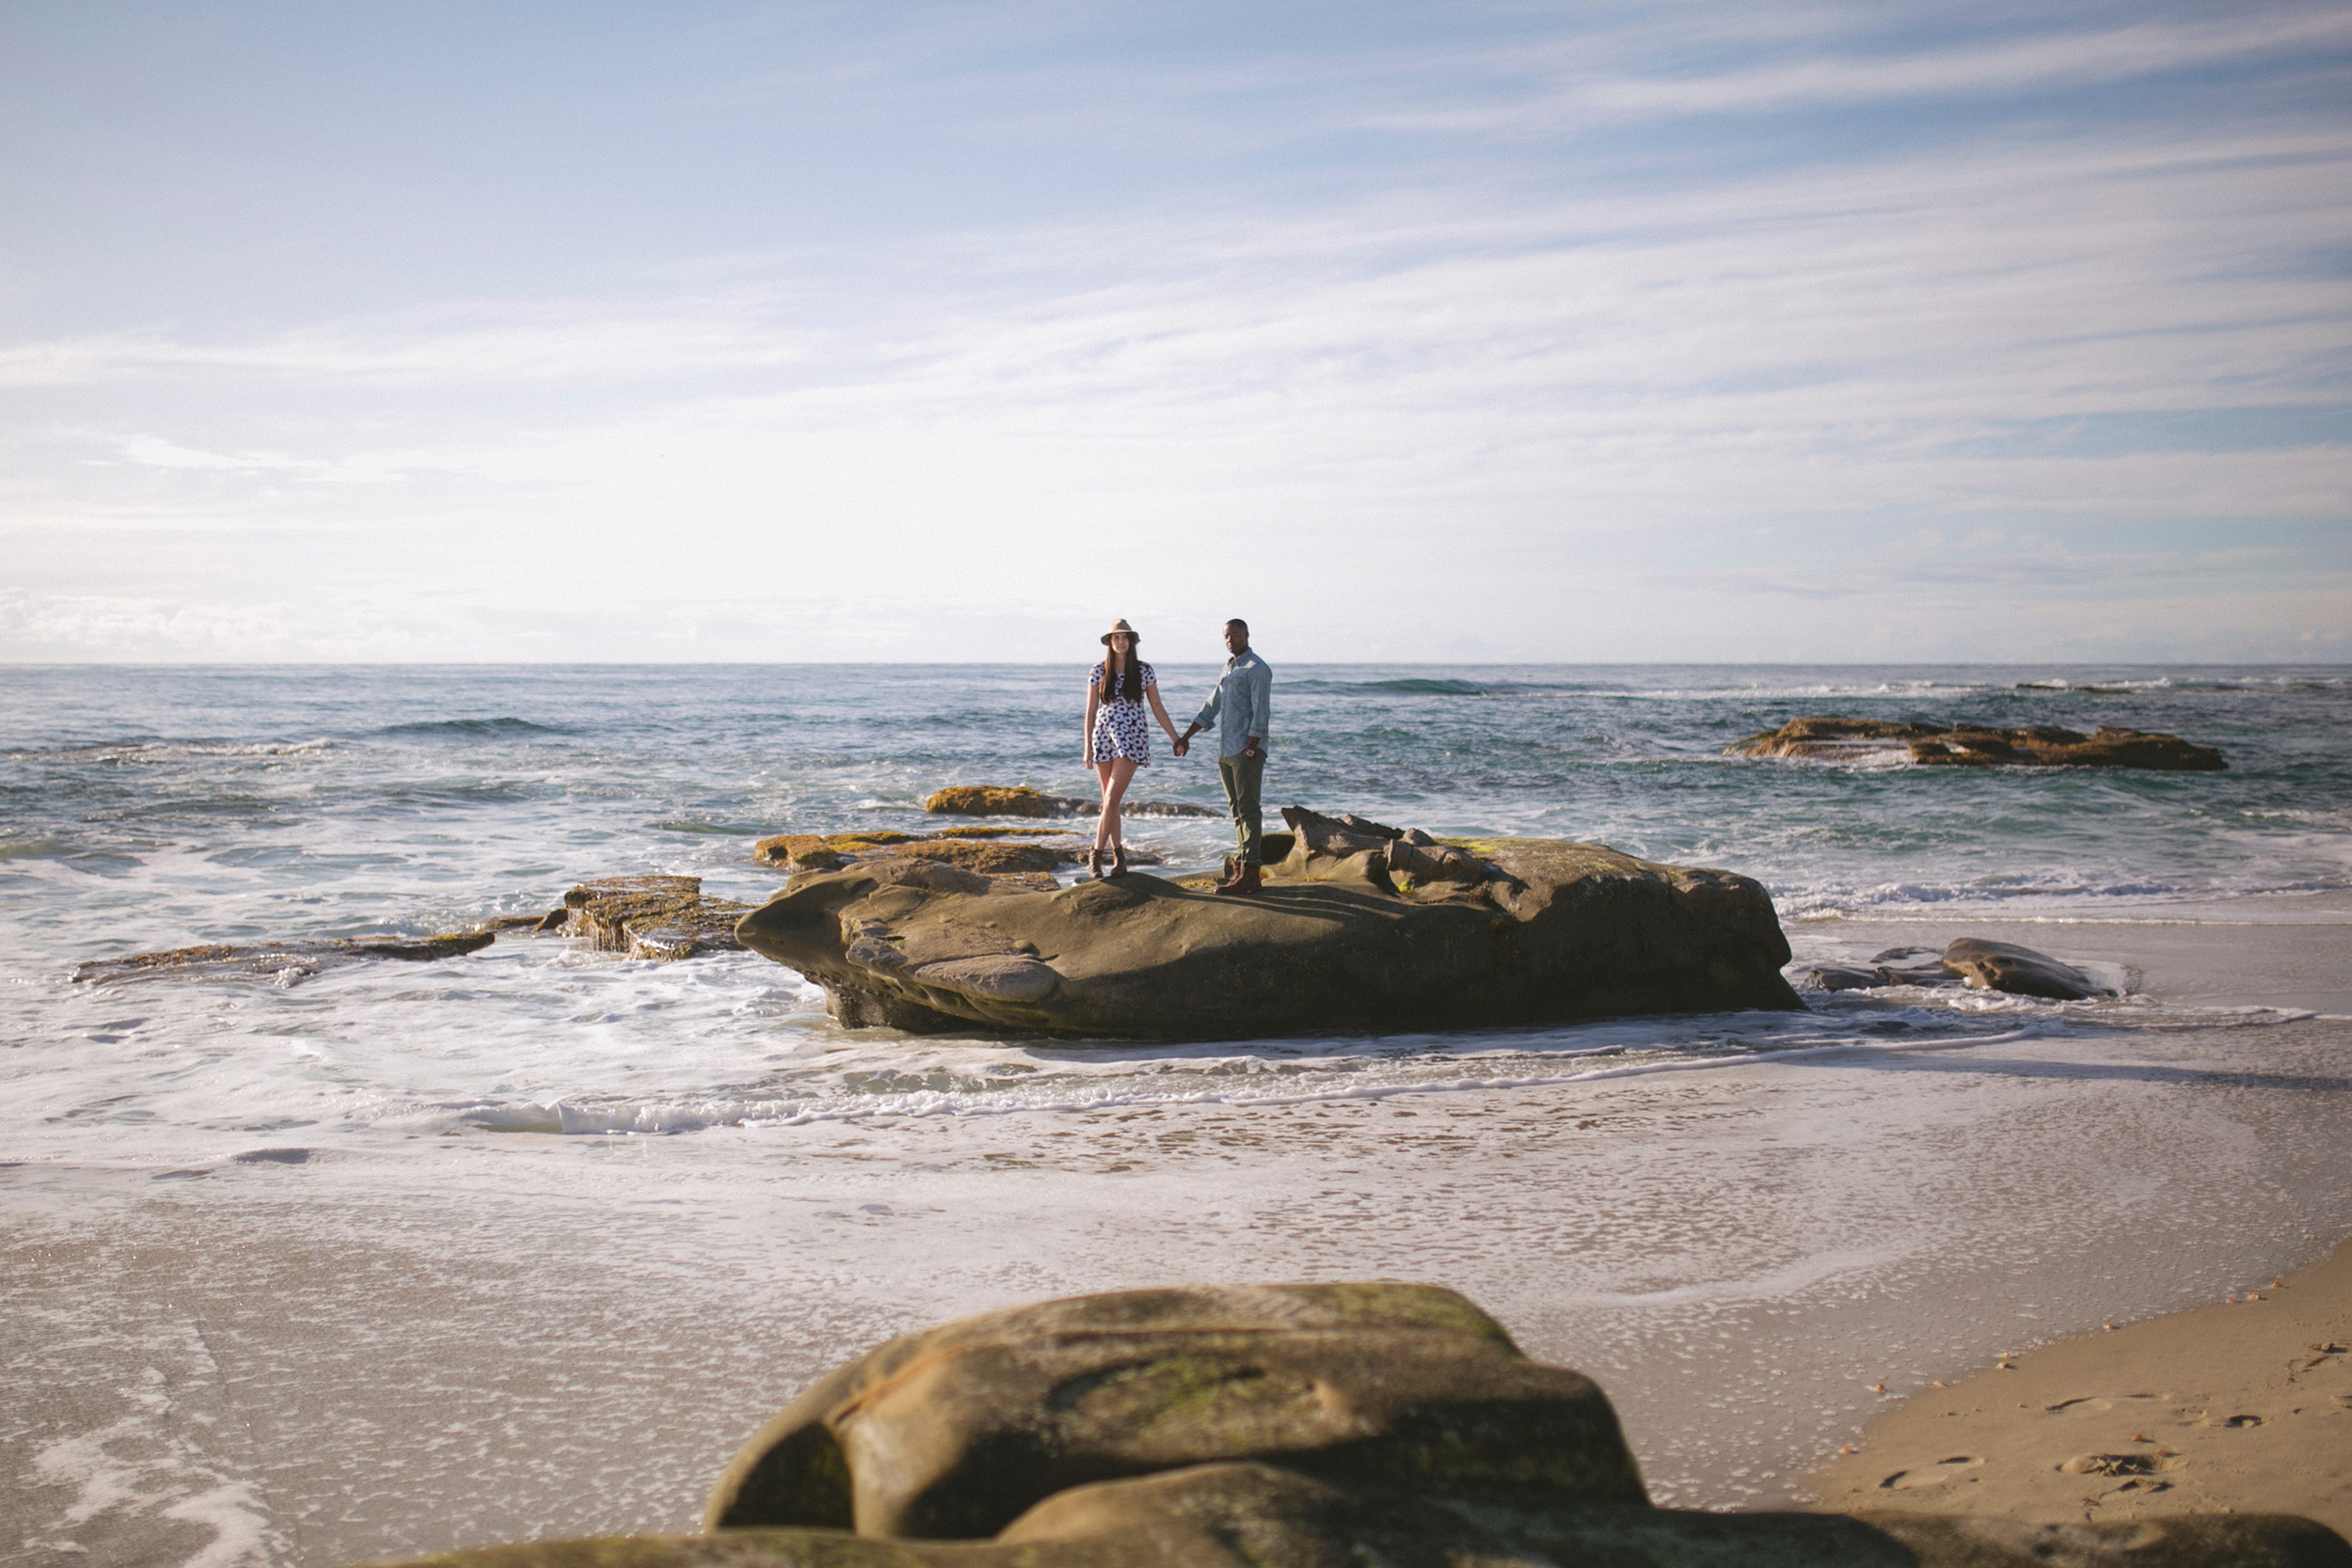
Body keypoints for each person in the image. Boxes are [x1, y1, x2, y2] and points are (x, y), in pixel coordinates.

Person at [1173, 618, 1273, 895]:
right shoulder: (1229, 669)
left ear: (1247, 634)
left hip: (1246, 750)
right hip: (1226, 751)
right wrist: (1186, 737)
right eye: (1226, 636)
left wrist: (1252, 746)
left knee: (1249, 809)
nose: (1230, 639)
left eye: (1235, 634)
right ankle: (1241, 868)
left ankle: (1252, 873)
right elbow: (1211, 706)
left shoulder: (1258, 669)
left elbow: (1261, 711)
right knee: (1237, 811)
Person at [1082, 618, 1183, 879]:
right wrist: (1087, 748)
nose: (1120, 641)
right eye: (1116, 638)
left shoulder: (1144, 671)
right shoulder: (1098, 671)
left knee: (1111, 800)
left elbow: (1157, 706)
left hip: (1132, 739)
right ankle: (1119, 857)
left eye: (1125, 637)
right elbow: (1091, 711)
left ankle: (1095, 855)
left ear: (1131, 641)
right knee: (1109, 803)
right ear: (1110, 642)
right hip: (1103, 737)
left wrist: (1176, 738)